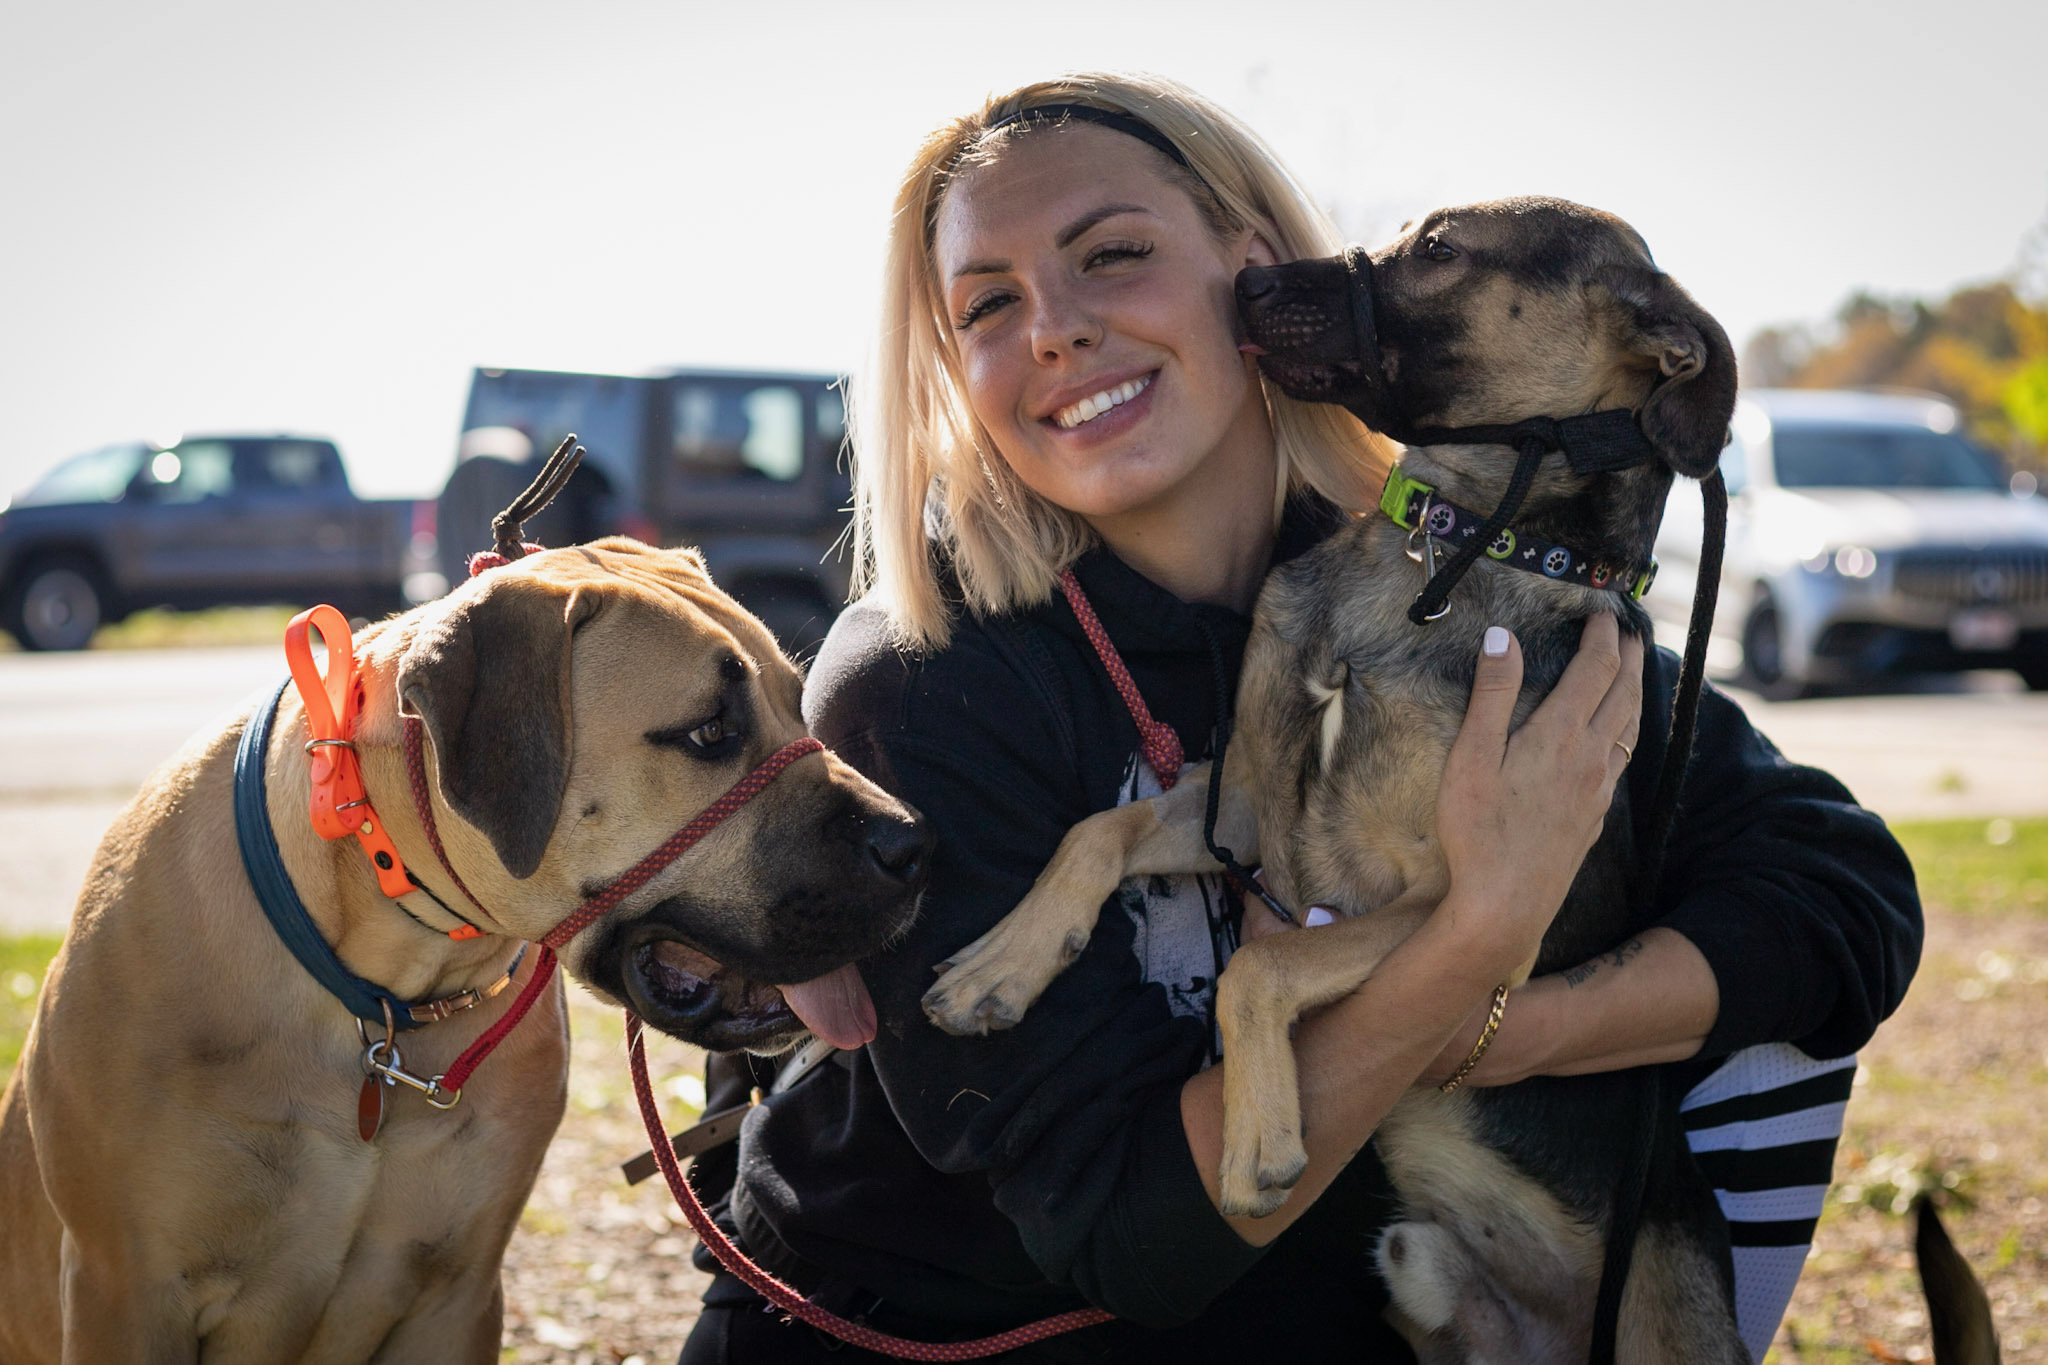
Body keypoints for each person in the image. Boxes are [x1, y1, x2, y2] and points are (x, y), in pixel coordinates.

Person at [676, 72, 1920, 1364]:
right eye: (989, 303)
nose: (1054, 328)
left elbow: (1851, 896)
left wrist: (1515, 1027)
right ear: (952, 363)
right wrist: (1474, 936)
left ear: (1255, 265)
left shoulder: (1445, 593)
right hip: (946, 1328)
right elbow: (1133, 1241)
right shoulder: (926, 679)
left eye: (1114, 255)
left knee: (1757, 1057)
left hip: (1349, 1308)